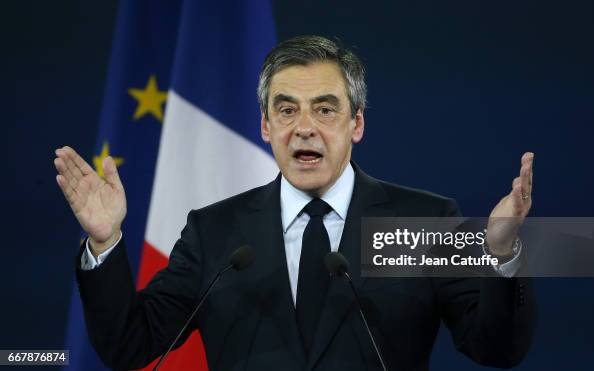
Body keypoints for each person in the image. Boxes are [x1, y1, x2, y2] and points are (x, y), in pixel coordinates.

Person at [54, 36, 536, 370]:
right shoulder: (216, 233)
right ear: (266, 127)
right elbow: (129, 345)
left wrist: (501, 254)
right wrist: (106, 242)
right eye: (286, 110)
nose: (304, 126)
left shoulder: (425, 222)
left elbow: (497, 349)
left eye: (325, 109)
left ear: (357, 124)